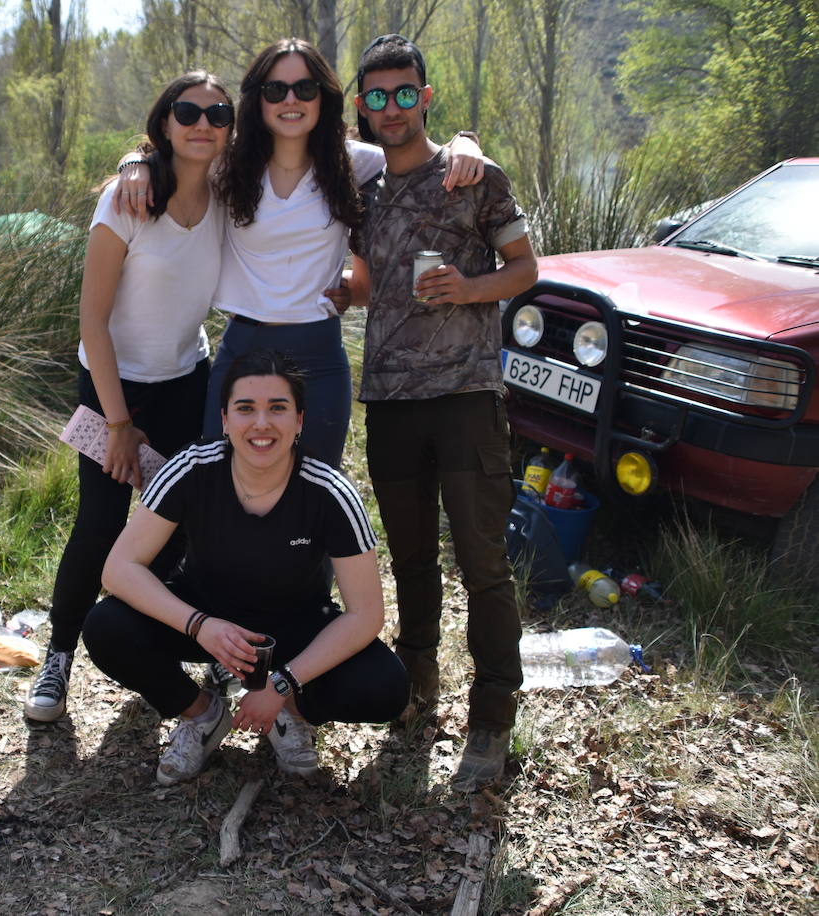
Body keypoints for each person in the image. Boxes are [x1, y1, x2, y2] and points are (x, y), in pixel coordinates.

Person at [115, 38, 485, 468]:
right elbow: (172, 153)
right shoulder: (228, 165)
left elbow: (422, 155)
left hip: (319, 357)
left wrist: (465, 141)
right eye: (276, 90)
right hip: (243, 350)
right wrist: (133, 162)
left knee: (311, 498)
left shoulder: (353, 163)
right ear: (258, 99)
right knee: (223, 488)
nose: (290, 100)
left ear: (323, 98)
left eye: (304, 89)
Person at [350, 34, 538, 790]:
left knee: (483, 561)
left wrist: (471, 287)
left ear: (425, 97)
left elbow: (525, 268)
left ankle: (492, 717)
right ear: (362, 105)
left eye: (404, 94)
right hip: (390, 398)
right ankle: (417, 686)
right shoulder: (359, 187)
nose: (391, 108)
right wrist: (341, 290)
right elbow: (370, 281)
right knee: (410, 558)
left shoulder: (473, 174)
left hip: (465, 393)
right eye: (377, 96)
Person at [83, 351, 408, 785]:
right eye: (245, 408)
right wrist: (200, 625)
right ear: (224, 419)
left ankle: (290, 716)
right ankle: (202, 714)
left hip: (293, 625)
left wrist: (284, 685)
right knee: (106, 626)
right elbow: (119, 569)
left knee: (385, 687)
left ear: (299, 421)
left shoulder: (330, 492)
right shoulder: (191, 469)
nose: (261, 424)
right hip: (206, 616)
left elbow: (367, 614)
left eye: (278, 408)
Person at [24, 71, 233, 723]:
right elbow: (91, 319)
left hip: (185, 381)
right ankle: (58, 655)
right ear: (164, 122)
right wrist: (118, 422)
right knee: (99, 521)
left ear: (231, 129)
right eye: (187, 110)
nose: (202, 122)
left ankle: (152, 635)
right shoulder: (126, 197)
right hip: (112, 382)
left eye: (218, 113)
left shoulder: (232, 196)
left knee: (182, 523)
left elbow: (318, 152)